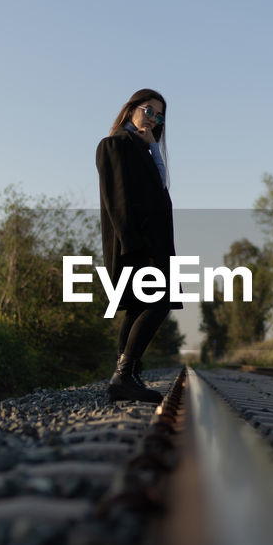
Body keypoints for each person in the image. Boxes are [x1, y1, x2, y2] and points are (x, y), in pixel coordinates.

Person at [96, 88, 179, 403]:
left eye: (159, 116)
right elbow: (117, 201)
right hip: (135, 245)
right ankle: (124, 374)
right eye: (149, 111)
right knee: (157, 303)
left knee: (138, 308)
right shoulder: (113, 145)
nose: (154, 120)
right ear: (130, 109)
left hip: (154, 245)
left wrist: (153, 148)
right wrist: (135, 248)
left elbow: (159, 191)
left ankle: (125, 378)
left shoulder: (144, 150)